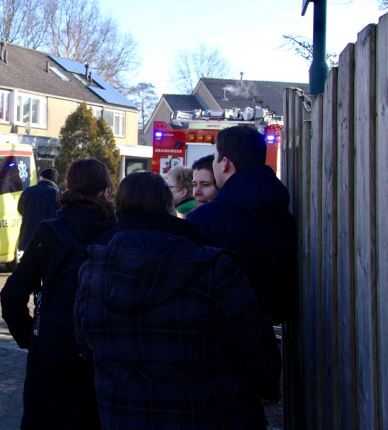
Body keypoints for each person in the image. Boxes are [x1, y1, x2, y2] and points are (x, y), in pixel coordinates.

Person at [74, 171, 281, 430]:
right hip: (215, 414)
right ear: (168, 207)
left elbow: (87, 348)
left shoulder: (92, 271)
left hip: (124, 414)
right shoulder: (214, 268)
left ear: (118, 209)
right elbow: (257, 349)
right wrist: (268, 390)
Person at [0, 159, 119, 430]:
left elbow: (11, 297)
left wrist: (30, 338)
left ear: (68, 187)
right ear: (106, 192)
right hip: (102, 355)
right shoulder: (119, 236)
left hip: (51, 353)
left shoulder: (48, 232)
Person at [187, 125, 297, 325]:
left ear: (225, 163)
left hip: (219, 336)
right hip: (269, 334)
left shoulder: (205, 219)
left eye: (215, 158)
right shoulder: (284, 213)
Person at [16, 168, 61, 253]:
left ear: (42, 177)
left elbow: (20, 209)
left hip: (28, 237)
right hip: (49, 240)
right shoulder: (58, 194)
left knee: (30, 264)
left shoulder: (28, 191)